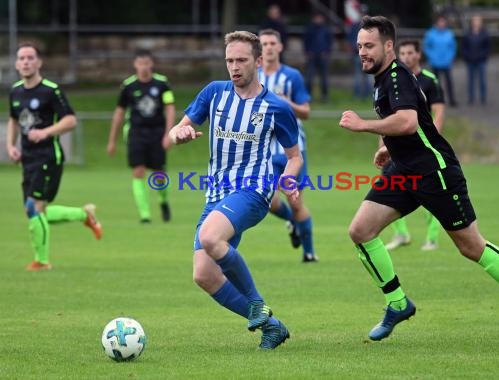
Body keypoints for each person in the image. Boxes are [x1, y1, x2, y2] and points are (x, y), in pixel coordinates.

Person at [339, 15, 499, 346]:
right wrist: (389, 149)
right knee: (361, 231)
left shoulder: (397, 78)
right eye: (359, 47)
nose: (362, 53)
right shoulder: (382, 79)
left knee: (471, 246)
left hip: (434, 173)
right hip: (404, 170)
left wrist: (364, 126)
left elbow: (409, 122)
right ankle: (398, 303)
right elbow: (412, 127)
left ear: (388, 46)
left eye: (368, 46)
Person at [168, 31, 302, 349]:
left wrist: (289, 179)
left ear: (258, 61)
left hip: (254, 191)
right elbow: (176, 129)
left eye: (241, 60)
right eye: (229, 60)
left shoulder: (276, 107)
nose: (234, 66)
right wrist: (180, 134)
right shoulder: (214, 93)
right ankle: (273, 327)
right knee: (204, 274)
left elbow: (294, 157)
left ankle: (257, 302)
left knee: (210, 238)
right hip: (217, 194)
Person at [6, 43, 102, 271]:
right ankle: (83, 215)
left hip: (49, 157)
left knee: (33, 208)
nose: (26, 62)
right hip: (27, 159)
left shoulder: (51, 90)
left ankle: (42, 261)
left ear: (39, 63)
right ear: (17, 64)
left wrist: (46, 132)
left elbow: (70, 120)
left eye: (30, 58)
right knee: (36, 212)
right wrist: (11, 145)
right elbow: (13, 119)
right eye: (22, 58)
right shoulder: (16, 91)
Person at [258, 28, 318, 263]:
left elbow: (306, 112)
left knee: (295, 202)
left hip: (293, 150)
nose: (269, 47)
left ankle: (309, 253)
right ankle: (292, 222)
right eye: (264, 44)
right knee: (270, 202)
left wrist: (286, 103)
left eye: (273, 43)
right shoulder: (255, 76)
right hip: (264, 150)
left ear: (280, 47)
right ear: (259, 49)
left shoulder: (291, 76)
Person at [385, 39, 445, 251]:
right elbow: (388, 116)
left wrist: (432, 141)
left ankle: (432, 238)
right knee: (388, 188)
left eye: (411, 53)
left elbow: (438, 112)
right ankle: (401, 234)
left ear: (418, 55)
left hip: (421, 148)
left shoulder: (428, 80)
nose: (407, 57)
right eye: (403, 53)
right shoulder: (393, 80)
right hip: (395, 147)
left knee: (426, 192)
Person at [107, 49, 176, 223]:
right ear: (135, 64)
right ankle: (145, 215)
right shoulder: (128, 86)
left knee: (159, 173)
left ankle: (163, 200)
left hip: (157, 132)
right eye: (140, 63)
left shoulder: (162, 84)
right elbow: (119, 113)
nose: (143, 67)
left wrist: (169, 133)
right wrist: (112, 141)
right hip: (136, 133)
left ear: (151, 64)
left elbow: (170, 107)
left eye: (146, 63)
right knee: (138, 171)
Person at [423, 14, 458, 107]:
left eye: (443, 21)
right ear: (437, 22)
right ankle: (436, 101)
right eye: (440, 21)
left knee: (449, 82)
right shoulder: (431, 33)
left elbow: (453, 47)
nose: (442, 23)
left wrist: (450, 57)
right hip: (435, 63)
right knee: (435, 83)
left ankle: (452, 100)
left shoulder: (449, 34)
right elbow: (426, 46)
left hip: (446, 62)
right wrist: (431, 56)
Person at [303, 12, 333, 102]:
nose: (318, 20)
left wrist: (327, 52)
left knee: (324, 79)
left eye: (320, 18)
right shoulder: (309, 29)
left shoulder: (326, 29)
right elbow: (305, 42)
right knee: (309, 78)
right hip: (312, 57)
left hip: (323, 57)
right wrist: (308, 52)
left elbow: (330, 42)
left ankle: (325, 96)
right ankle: (307, 97)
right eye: (317, 18)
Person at [345, 0, 372, 99]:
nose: (364, 15)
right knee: (357, 76)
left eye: (365, 13)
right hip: (357, 54)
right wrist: (356, 48)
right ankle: (357, 95)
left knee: (369, 76)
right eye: (362, 13)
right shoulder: (354, 26)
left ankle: (369, 95)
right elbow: (350, 40)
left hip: (369, 55)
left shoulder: (372, 27)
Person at [462, 15, 491, 105]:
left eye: (478, 21)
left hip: (481, 61)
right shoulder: (468, 34)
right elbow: (464, 47)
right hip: (470, 61)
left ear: (481, 23)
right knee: (471, 81)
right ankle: (471, 98)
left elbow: (488, 47)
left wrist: (483, 56)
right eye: (474, 21)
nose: (476, 23)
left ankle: (483, 98)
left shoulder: (485, 34)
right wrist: (466, 56)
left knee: (482, 80)